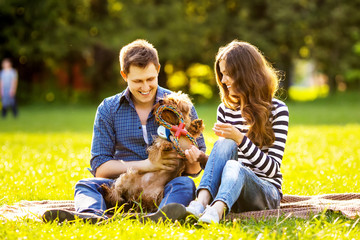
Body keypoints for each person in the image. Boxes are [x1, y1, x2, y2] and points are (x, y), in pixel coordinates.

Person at [42, 39, 206, 223]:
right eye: (137, 81)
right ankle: (91, 216)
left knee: (185, 184)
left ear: (158, 70)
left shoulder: (178, 105)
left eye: (150, 79)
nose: (145, 87)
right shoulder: (108, 109)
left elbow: (195, 169)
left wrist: (193, 159)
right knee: (86, 185)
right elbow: (101, 168)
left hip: (164, 186)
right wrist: (148, 165)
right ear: (124, 75)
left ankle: (161, 216)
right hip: (122, 187)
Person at [185, 40, 289, 223]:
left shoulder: (277, 110)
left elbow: (272, 169)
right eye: (222, 75)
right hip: (231, 190)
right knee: (224, 144)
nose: (223, 81)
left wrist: (241, 139)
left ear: (246, 74)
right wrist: (203, 159)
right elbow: (226, 165)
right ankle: (200, 204)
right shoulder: (224, 110)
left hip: (265, 193)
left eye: (228, 74)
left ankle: (216, 211)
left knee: (235, 166)